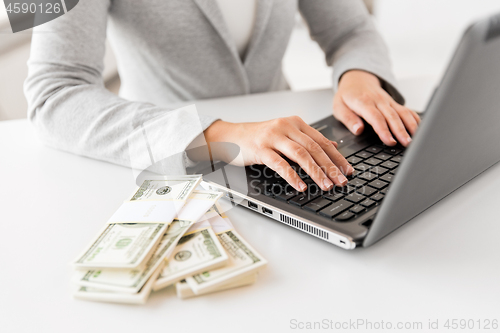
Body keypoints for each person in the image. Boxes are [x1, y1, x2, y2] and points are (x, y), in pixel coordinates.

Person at [25, 0, 419, 193]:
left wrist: (359, 77)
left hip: (291, 153)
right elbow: (53, 94)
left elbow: (351, 29)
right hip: (171, 166)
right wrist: (219, 137)